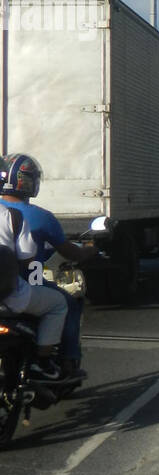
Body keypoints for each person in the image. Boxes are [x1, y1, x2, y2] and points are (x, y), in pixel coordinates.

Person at [0, 153, 97, 378]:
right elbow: (29, 257)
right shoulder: (26, 216)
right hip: (18, 287)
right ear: (28, 182)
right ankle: (62, 362)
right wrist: (90, 250)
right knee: (64, 304)